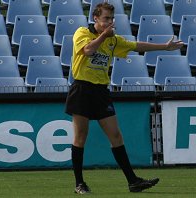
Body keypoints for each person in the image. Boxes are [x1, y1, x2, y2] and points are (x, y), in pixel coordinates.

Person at [65, 2, 183, 195]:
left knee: (116, 136)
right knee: (80, 138)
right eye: (106, 19)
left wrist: (165, 46)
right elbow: (88, 51)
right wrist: (104, 35)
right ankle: (79, 183)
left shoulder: (114, 40)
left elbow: (136, 45)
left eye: (112, 18)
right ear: (96, 19)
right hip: (82, 89)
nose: (110, 22)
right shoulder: (82, 32)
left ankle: (133, 181)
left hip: (101, 91)